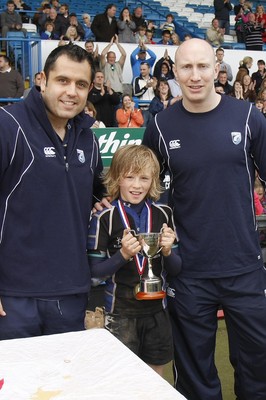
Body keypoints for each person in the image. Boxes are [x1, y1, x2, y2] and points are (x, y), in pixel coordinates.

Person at [142, 37, 266, 400]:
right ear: (174, 72)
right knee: (195, 375)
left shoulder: (248, 118)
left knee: (258, 367)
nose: (194, 76)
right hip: (188, 271)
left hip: (244, 267)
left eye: (202, 66)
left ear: (217, 68)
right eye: (186, 67)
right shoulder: (161, 126)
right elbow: (143, 187)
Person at [0, 44, 104, 340]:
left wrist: (102, 200)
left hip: (71, 292)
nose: (72, 91)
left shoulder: (88, 140)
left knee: (65, 385)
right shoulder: (8, 126)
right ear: (42, 80)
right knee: (16, 386)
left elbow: (91, 192)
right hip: (14, 296)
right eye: (63, 81)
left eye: (81, 84)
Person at [88, 144, 182, 376]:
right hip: (120, 313)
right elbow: (94, 273)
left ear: (153, 181)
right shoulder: (103, 217)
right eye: (129, 177)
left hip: (157, 311)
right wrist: (123, 256)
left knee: (155, 377)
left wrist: (169, 252)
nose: (137, 185)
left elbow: (178, 270)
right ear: (117, 178)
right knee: (122, 379)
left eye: (144, 178)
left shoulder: (164, 213)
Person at [133, 61, 157, 127]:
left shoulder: (154, 79)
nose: (142, 71)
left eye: (144, 69)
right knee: (144, 129)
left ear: (149, 70)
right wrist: (146, 87)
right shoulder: (137, 79)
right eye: (141, 69)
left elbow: (158, 95)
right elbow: (136, 94)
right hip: (143, 109)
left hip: (154, 108)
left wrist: (155, 88)